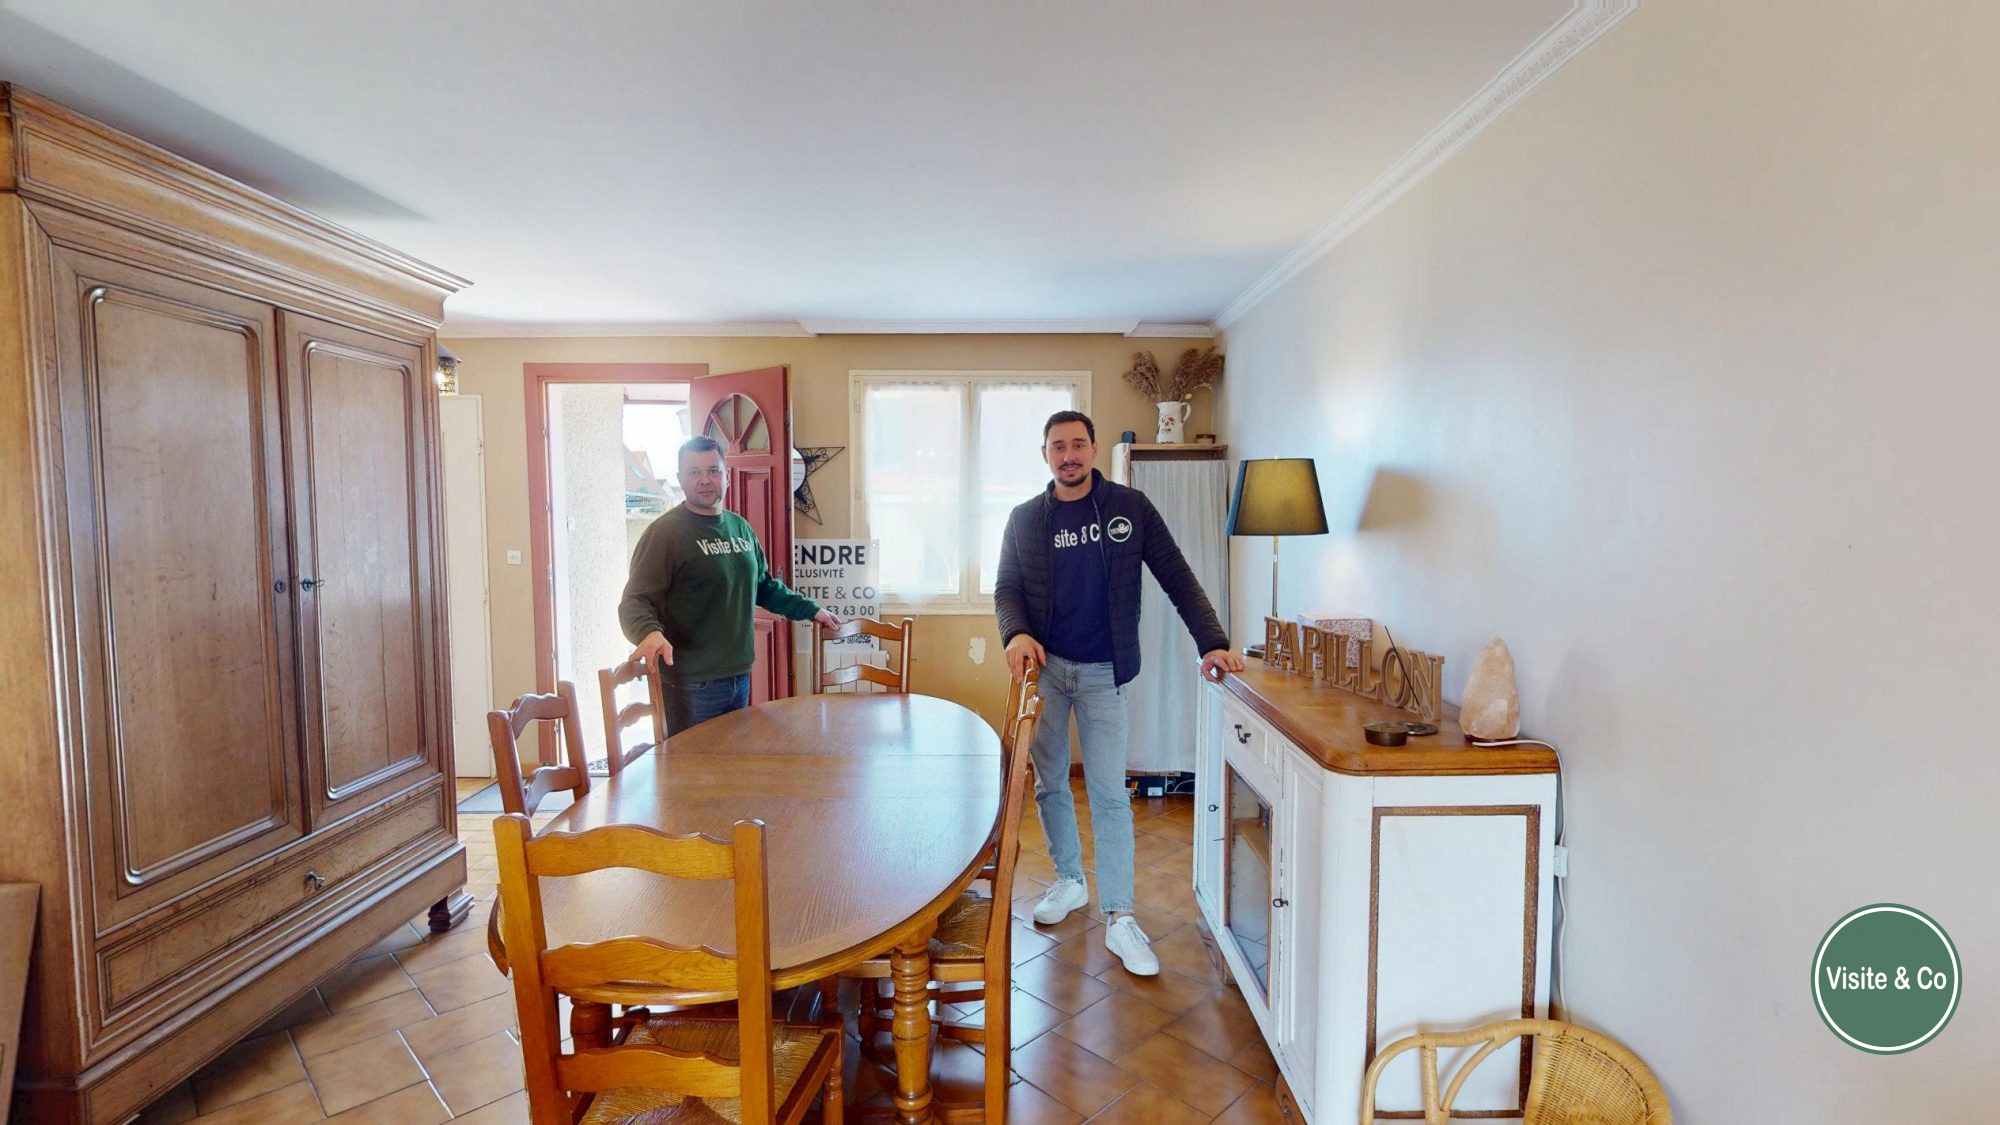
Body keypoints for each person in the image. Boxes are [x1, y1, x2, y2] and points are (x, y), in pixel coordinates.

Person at [994, 410, 1245, 975]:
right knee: (1050, 784)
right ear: (1045, 455)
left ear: (1093, 448)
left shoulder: (1130, 509)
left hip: (1105, 674)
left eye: (1078, 444)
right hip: (1046, 671)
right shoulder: (1025, 519)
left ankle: (1121, 915)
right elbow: (1007, 588)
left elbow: (1178, 576)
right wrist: (1016, 634)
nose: (1068, 456)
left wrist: (1213, 642)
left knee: (1109, 793)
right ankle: (1069, 880)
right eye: (1057, 446)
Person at [620, 435, 837, 734]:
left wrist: (811, 610)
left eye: (713, 471)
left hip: (739, 676)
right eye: (694, 472)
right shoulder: (664, 533)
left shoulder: (740, 528)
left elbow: (764, 586)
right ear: (680, 479)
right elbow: (635, 600)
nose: (705, 480)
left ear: (727, 477)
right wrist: (648, 632)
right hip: (689, 685)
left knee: (733, 760)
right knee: (692, 762)